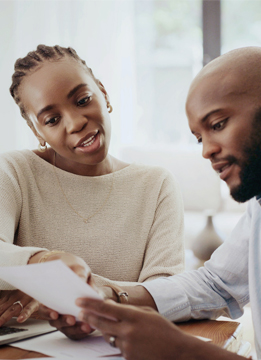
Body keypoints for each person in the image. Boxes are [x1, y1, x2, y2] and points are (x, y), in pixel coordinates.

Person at [71, 47, 261, 360]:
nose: (207, 150)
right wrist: (110, 299)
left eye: (218, 124)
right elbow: (216, 283)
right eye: (199, 137)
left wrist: (181, 351)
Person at [0, 45, 184, 332]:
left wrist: (59, 292)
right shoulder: (13, 171)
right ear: (37, 132)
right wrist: (43, 264)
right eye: (51, 120)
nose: (76, 123)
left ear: (104, 92)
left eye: (83, 100)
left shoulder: (156, 185)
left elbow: (167, 293)